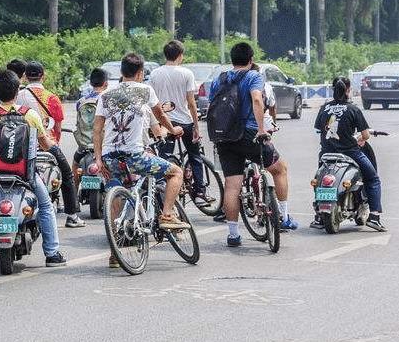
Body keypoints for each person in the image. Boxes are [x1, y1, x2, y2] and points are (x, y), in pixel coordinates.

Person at [0, 69, 68, 268]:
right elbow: (45, 144)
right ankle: (52, 254)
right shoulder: (30, 115)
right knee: (46, 206)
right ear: (17, 91)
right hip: (25, 174)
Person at [92, 54, 187, 266]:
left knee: (115, 199)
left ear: (121, 72)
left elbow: (97, 129)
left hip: (109, 157)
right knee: (176, 173)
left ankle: (115, 254)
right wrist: (173, 130)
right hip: (135, 156)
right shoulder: (146, 90)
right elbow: (160, 117)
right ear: (140, 73)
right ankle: (167, 215)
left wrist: (99, 159)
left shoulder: (106, 95)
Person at [206, 42, 269, 248]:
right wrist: (261, 129)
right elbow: (257, 100)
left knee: (232, 186)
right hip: (248, 133)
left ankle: (233, 234)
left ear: (232, 60)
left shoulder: (219, 79)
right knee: (279, 168)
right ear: (251, 60)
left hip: (224, 136)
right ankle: (283, 215)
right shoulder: (253, 76)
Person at [16, 61, 84, 228]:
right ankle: (72, 215)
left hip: (22, 148)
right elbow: (58, 127)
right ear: (43, 76)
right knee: (67, 175)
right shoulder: (51, 97)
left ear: (25, 76)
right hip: (47, 146)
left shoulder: (18, 96)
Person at [314, 77, 385, 232]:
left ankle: (318, 216)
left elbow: (320, 130)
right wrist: (359, 137)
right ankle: (374, 216)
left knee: (319, 178)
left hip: (326, 154)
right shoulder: (353, 109)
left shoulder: (324, 108)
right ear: (347, 91)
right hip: (350, 153)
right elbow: (365, 136)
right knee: (373, 179)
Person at [149, 40, 210, 208]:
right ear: (180, 55)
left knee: (164, 158)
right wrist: (197, 126)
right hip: (184, 122)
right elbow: (191, 103)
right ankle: (199, 192)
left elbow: (152, 102)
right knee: (194, 156)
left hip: (163, 122)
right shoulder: (186, 73)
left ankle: (160, 191)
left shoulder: (155, 74)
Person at [252, 63, 296, 231]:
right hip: (257, 133)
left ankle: (229, 222)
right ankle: (284, 216)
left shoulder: (230, 83)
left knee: (233, 179)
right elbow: (271, 108)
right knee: (280, 168)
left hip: (231, 136)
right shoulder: (264, 87)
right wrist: (273, 124)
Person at [73, 67, 108, 160]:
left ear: (91, 83)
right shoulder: (108, 100)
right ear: (106, 83)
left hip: (85, 145)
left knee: (76, 162)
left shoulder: (81, 101)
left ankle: (74, 175)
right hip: (104, 144)